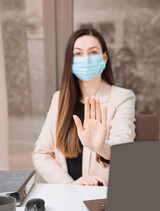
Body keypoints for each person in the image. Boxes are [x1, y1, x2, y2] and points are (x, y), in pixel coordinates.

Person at [32, 28, 136, 186]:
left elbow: (123, 148)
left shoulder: (123, 97)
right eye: (78, 54)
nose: (86, 59)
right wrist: (70, 185)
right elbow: (41, 153)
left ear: (105, 57)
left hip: (102, 196)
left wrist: (101, 147)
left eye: (93, 52)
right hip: (67, 194)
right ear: (70, 61)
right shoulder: (59, 99)